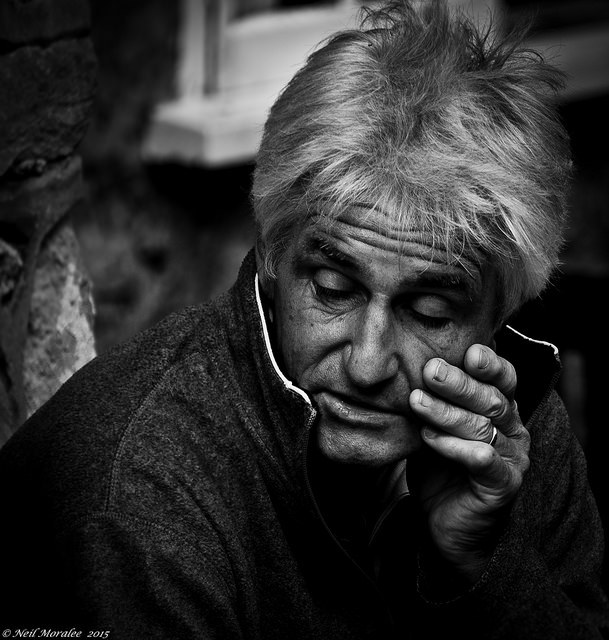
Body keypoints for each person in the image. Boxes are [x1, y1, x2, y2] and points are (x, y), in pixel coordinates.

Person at [1, 1, 608, 638]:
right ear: (270, 253)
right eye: (333, 289)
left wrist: (483, 566)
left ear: (498, 315)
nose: (368, 363)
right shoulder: (144, 500)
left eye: (428, 312)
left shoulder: (509, 430)